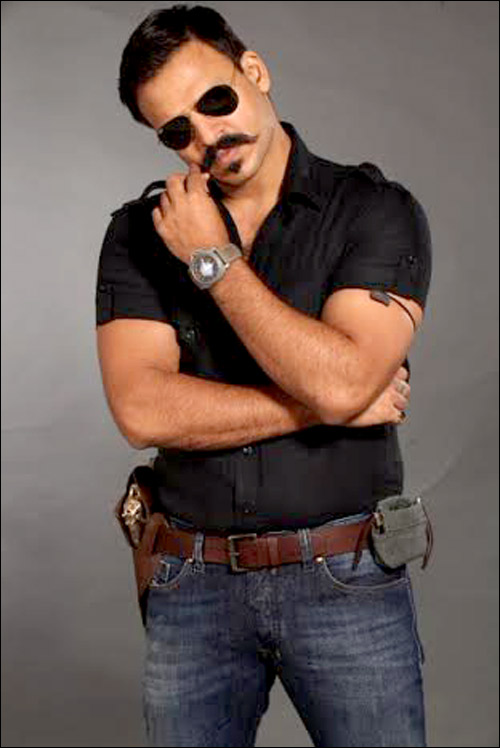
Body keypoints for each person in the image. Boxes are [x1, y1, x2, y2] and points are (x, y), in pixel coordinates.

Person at [95, 5, 432, 747]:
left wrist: (214, 262)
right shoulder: (138, 233)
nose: (207, 137)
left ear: (254, 71)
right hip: (191, 582)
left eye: (215, 100)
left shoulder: (375, 211)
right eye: (177, 131)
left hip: (348, 577)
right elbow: (142, 410)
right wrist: (327, 405)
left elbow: (344, 380)